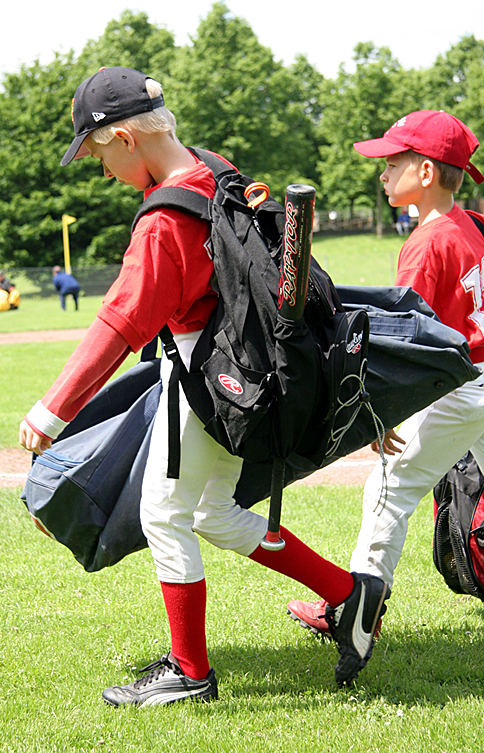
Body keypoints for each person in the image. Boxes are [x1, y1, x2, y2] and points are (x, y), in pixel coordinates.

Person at [18, 66, 390, 706]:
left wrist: (52, 411)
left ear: (127, 138)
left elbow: (120, 322)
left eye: (100, 155)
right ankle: (351, 592)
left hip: (206, 376)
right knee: (210, 514)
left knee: (166, 515)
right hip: (247, 371)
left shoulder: (164, 218)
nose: (103, 172)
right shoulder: (214, 168)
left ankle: (190, 673)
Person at [287, 109, 484, 638]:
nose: (382, 173)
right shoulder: (470, 223)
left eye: (393, 161)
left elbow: (406, 344)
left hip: (464, 386)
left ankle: (357, 610)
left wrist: (379, 414)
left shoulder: (426, 242)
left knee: (389, 486)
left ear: (425, 172)